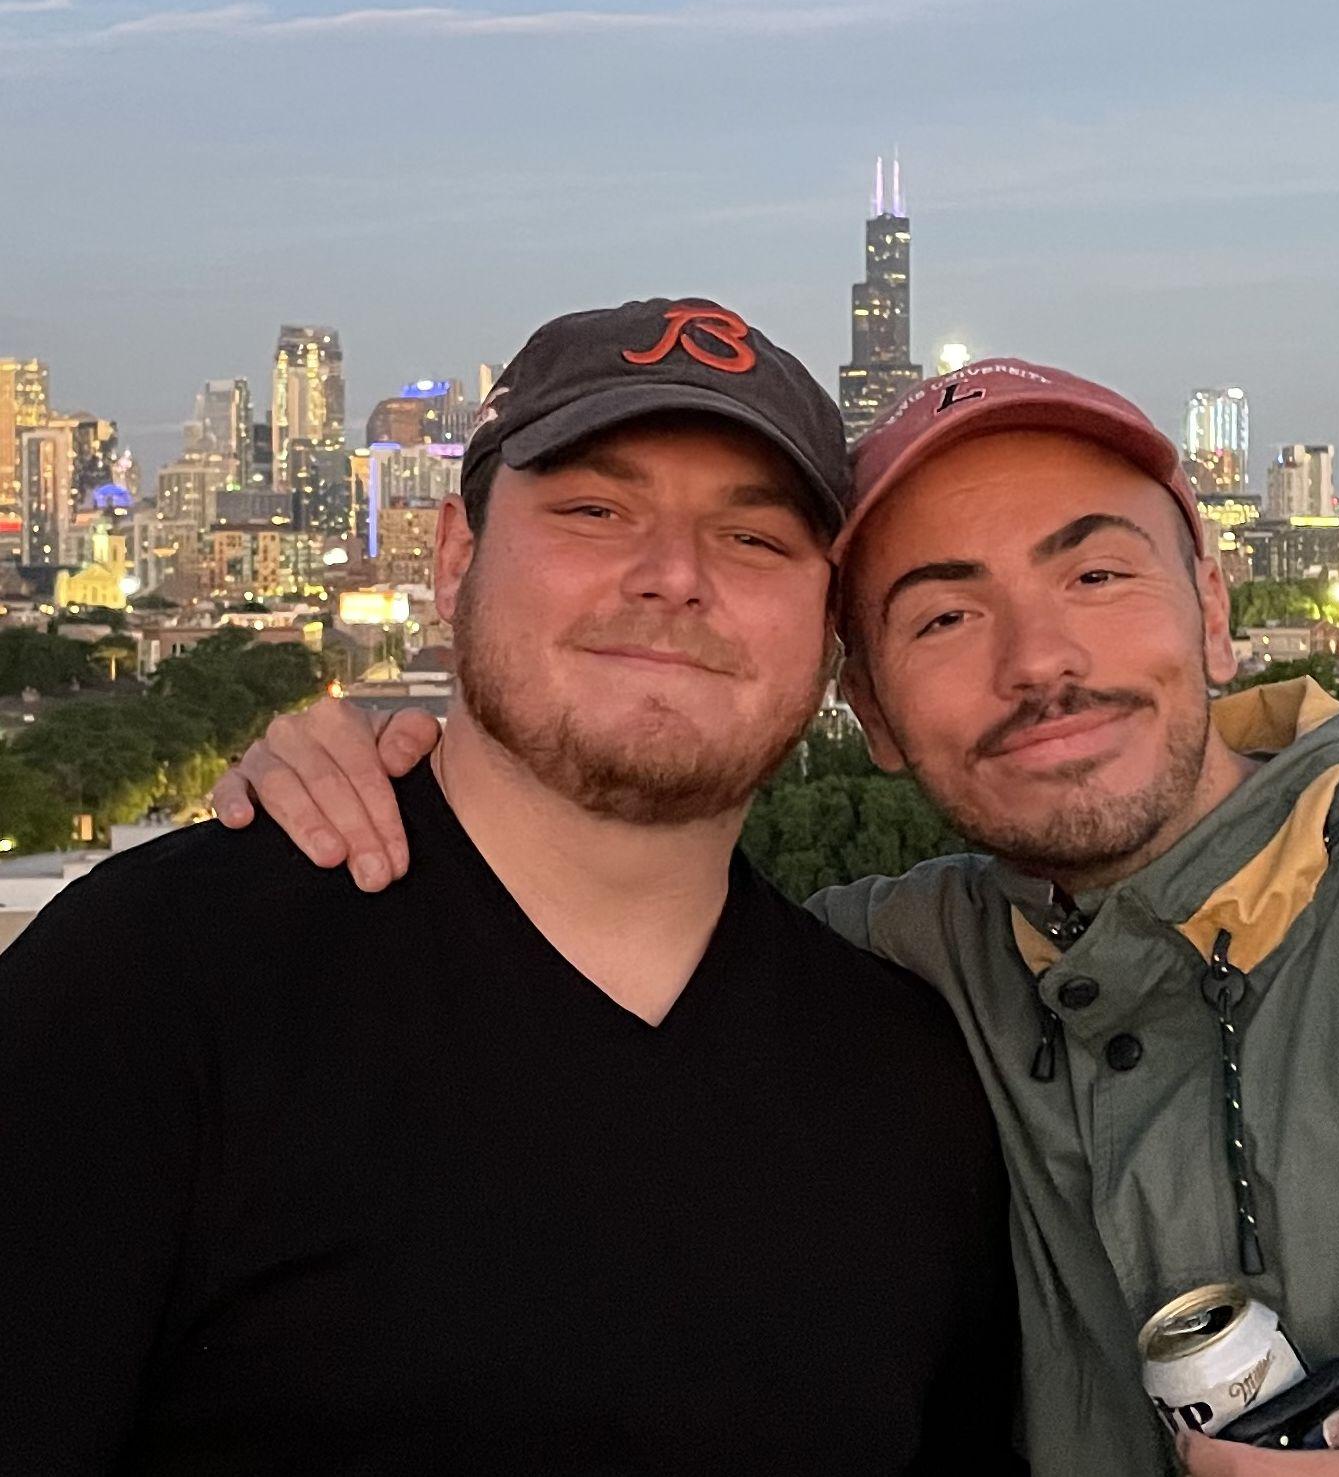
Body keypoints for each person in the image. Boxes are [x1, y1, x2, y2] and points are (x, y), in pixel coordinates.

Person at [229, 355, 1339, 1477]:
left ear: (1214, 613)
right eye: (941, 617)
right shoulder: (901, 971)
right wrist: (357, 777)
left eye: (1095, 576)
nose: (1039, 661)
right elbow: (606, 911)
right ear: (869, 713)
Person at [0, 300, 1020, 1475]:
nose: (673, 576)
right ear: (454, 557)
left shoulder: (914, 1082)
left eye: (751, 537)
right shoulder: (149, 989)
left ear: (828, 629)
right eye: (594, 510)